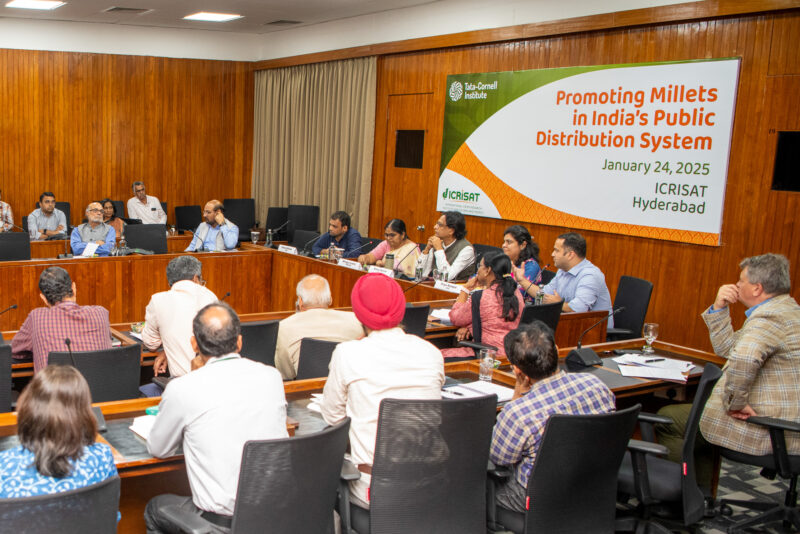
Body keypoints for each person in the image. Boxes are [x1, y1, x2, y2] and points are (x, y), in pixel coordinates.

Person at [655, 254, 800, 489]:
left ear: (757, 288)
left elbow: (743, 357)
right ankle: (700, 496)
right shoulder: (788, 310)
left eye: (741, 280)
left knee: (671, 419)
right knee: (695, 418)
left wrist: (735, 402)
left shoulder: (769, 318)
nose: (736, 285)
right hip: (787, 423)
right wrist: (719, 308)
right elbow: (729, 349)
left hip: (771, 429)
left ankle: (679, 497)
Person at [144, 302, 288, 533]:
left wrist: (194, 376)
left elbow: (158, 449)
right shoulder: (272, 377)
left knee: (154, 507)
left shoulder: (183, 388)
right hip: (275, 514)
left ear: (194, 344)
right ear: (239, 342)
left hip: (220, 524)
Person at [320, 273, 444, 508]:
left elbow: (334, 419)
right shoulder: (431, 352)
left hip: (374, 490)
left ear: (359, 313)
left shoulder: (348, 353)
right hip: (430, 485)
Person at [490, 321, 616, 512]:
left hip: (536, 499)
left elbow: (499, 458)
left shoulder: (519, 412)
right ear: (556, 351)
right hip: (592, 486)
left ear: (517, 371)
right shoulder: (597, 386)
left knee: (474, 483)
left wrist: (516, 397)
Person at [0, 365, 117, 498]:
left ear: (28, 407)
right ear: (85, 412)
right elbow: (111, 514)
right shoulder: (102, 457)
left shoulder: (4, 466)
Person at [11, 267, 111, 373]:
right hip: (99, 388)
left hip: (55, 389)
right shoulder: (101, 313)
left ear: (43, 298)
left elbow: (13, 351)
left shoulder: (37, 317)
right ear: (74, 288)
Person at [141, 256, 218, 380]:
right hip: (215, 380)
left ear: (170, 282)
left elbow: (151, 344)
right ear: (195, 278)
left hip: (182, 383)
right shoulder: (210, 296)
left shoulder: (158, 300)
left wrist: (168, 348)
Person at [275, 274, 363, 380]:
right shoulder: (356, 321)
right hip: (345, 389)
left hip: (304, 392)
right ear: (330, 299)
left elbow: (285, 374)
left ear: (300, 301)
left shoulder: (284, 327)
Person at [441, 250, 523, 360]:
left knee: (436, 355)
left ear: (488, 270)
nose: (478, 270)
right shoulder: (517, 294)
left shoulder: (480, 297)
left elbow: (455, 318)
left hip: (487, 355)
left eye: (480, 266)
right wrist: (470, 326)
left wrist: (465, 289)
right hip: (513, 356)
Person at [540, 232, 614, 326]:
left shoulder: (590, 275)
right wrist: (522, 281)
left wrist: (558, 303)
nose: (552, 254)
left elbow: (579, 309)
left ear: (571, 255)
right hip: (571, 325)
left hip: (594, 332)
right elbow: (545, 293)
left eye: (556, 250)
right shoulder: (563, 270)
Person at [416, 211, 476, 281]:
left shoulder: (467, 250)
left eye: (440, 225)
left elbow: (446, 278)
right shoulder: (438, 243)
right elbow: (419, 276)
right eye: (436, 224)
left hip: (456, 290)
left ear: (451, 230)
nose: (435, 227)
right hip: (435, 287)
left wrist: (439, 249)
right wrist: (426, 251)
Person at [502, 225, 542, 302]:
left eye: (509, 242)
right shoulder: (505, 260)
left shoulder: (531, 266)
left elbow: (518, 293)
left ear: (523, 245)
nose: (504, 245)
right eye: (504, 241)